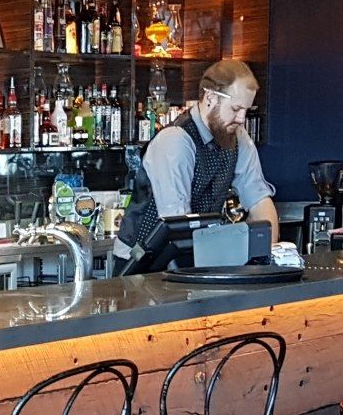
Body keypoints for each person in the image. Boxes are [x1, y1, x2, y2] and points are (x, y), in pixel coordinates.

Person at [118, 59, 277, 266]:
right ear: (210, 97)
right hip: (144, 261)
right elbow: (177, 225)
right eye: (236, 109)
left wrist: (268, 255)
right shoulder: (176, 140)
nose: (241, 118)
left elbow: (259, 201)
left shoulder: (239, 138)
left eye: (246, 110)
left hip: (193, 255)